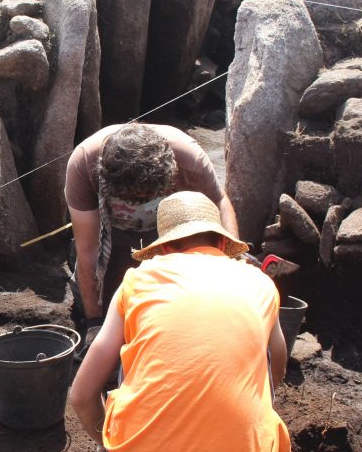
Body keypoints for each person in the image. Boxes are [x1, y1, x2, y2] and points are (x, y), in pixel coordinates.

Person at [69, 191, 290, 452]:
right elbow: (278, 361)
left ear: (165, 247)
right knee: (255, 369)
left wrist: (109, 442)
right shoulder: (259, 283)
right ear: (220, 241)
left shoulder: (138, 280)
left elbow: (81, 395)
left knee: (135, 359)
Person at [64, 123, 238, 348]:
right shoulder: (83, 164)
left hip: (173, 235)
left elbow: (219, 202)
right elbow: (87, 250)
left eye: (147, 196)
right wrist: (95, 323)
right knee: (113, 317)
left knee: (178, 309)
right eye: (133, 199)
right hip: (113, 236)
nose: (140, 202)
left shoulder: (189, 160)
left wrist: (233, 264)